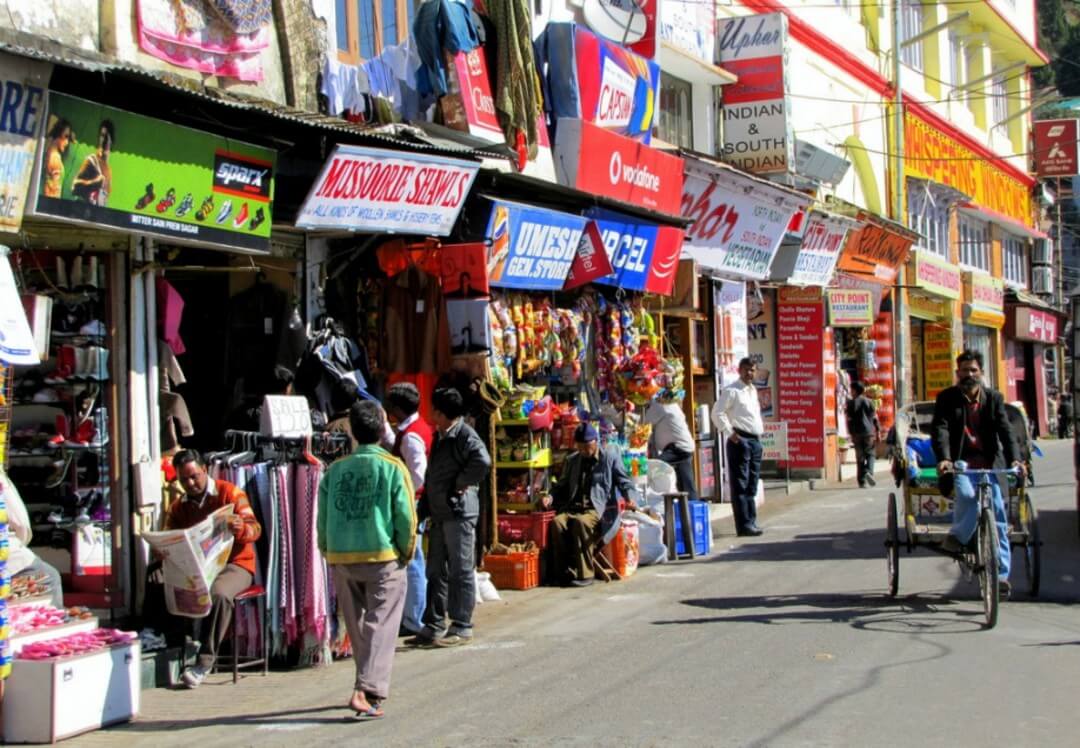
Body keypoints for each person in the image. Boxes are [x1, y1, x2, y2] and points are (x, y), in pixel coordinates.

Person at [318, 401, 416, 719]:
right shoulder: (392, 467)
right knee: (380, 624)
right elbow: (405, 518)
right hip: (382, 555)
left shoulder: (334, 471)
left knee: (361, 626)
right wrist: (406, 552)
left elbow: (322, 519)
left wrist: (327, 549)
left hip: (341, 556)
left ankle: (367, 689)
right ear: (382, 427)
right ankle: (365, 689)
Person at [155, 450, 262, 688]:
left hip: (235, 565)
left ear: (205, 470)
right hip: (199, 567)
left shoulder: (230, 493)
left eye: (194, 476)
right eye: (184, 480)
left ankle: (205, 660)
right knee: (161, 581)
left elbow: (255, 529)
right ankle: (171, 641)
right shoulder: (178, 508)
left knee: (219, 594)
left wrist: (240, 528)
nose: (191, 484)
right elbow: (169, 534)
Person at [931, 350, 1024, 598]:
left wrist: (1016, 458)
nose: (969, 375)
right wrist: (944, 460)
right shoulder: (947, 398)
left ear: (981, 372)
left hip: (990, 464)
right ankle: (960, 537)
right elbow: (939, 431)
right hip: (960, 463)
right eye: (964, 371)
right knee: (966, 494)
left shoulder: (993, 398)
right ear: (957, 373)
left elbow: (1005, 430)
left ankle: (1001, 576)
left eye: (973, 370)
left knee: (998, 514)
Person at [407, 388, 490, 647]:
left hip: (459, 513)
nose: (431, 414)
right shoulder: (441, 435)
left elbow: (483, 462)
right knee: (435, 570)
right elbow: (433, 475)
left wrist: (459, 484)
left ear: (442, 414)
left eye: (435, 410)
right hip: (441, 513)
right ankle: (433, 624)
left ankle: (461, 625)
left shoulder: (465, 435)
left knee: (460, 569)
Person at [543, 423, 640, 587]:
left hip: (599, 510)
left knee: (582, 523)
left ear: (595, 442)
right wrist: (550, 497)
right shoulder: (572, 460)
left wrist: (630, 498)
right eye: (579, 447)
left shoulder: (609, 458)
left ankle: (586, 574)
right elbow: (561, 485)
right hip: (573, 507)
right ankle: (563, 572)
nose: (582, 450)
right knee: (557, 523)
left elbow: (625, 482)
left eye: (586, 446)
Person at [383, 382, 433, 635]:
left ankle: (414, 617)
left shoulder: (412, 435)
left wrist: (405, 497)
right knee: (413, 558)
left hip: (411, 502)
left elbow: (418, 475)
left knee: (413, 560)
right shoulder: (411, 430)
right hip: (412, 500)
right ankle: (413, 614)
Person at [713, 358, 765, 536]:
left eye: (753, 370)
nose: (750, 373)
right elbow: (717, 413)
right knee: (741, 484)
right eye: (747, 370)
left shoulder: (752, 391)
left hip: (755, 440)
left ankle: (751, 520)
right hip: (740, 439)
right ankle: (743, 525)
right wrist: (731, 434)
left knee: (752, 483)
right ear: (740, 370)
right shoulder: (732, 391)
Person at [2, 470, 64, 608]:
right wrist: (21, 543)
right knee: (49, 577)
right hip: (7, 557)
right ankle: (49, 622)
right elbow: (20, 523)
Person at [644, 392, 698, 502]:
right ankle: (690, 509)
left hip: (677, 447)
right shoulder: (672, 405)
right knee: (686, 483)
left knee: (652, 466)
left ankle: (655, 501)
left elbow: (645, 423)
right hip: (684, 446)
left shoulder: (660, 406)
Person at [846, 382, 882, 488]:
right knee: (870, 454)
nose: (851, 392)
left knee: (860, 457)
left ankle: (861, 481)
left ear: (856, 390)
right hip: (868, 433)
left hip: (856, 433)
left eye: (852, 390)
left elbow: (849, 419)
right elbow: (875, 417)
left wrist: (851, 432)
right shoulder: (869, 402)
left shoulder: (851, 403)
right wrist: (878, 430)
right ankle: (868, 471)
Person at [71, 120, 114, 206]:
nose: (104, 140)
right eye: (102, 136)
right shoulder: (91, 161)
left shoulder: (108, 170)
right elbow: (74, 187)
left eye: (107, 137)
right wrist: (94, 183)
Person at [42, 117, 73, 198]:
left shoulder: (49, 152)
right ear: (58, 134)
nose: (67, 142)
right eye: (66, 136)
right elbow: (55, 190)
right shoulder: (55, 158)